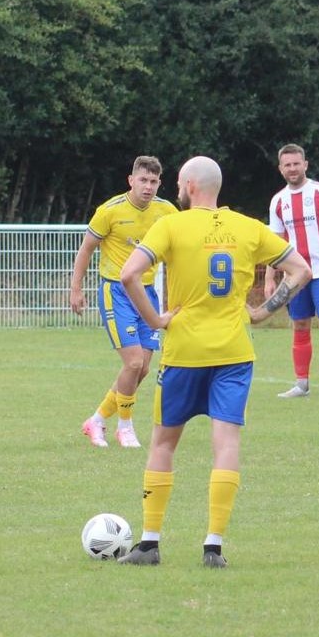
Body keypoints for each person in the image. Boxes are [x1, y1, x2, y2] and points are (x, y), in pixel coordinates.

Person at [117, 156, 311, 569]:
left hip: (184, 352)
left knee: (164, 444)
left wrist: (155, 320)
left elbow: (129, 275)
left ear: (188, 185)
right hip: (234, 353)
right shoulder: (247, 227)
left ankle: (150, 543)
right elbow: (300, 270)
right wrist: (262, 311)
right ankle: (213, 546)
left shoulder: (170, 224)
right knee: (226, 444)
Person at [68, 156, 179, 447]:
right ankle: (125, 426)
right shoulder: (110, 211)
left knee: (142, 368)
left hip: (148, 293)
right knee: (132, 363)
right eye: (143, 180)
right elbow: (86, 249)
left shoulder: (167, 211)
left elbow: (177, 252)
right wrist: (76, 288)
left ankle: (97, 420)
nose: (148, 186)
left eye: (154, 181)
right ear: (131, 180)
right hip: (116, 291)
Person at [264, 144, 319, 398]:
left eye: (296, 163)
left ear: (305, 164)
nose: (292, 168)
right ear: (281, 169)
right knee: (300, 324)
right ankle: (301, 384)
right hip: (295, 276)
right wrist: (270, 277)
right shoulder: (278, 201)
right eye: (287, 165)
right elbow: (275, 243)